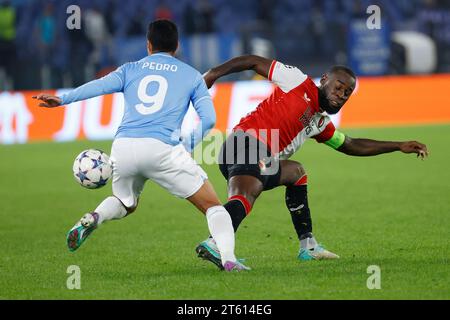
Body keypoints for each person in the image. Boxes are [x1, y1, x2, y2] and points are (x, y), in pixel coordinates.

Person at [33, 20, 248, 272]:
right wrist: (187, 145)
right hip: (162, 148)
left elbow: (97, 87)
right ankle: (230, 259)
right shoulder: (191, 75)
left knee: (125, 202)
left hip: (124, 147)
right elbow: (209, 119)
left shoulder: (130, 69)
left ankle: (95, 217)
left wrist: (62, 99)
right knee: (213, 206)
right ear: (177, 46)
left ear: (148, 45)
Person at [194, 55, 429, 269]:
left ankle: (308, 246)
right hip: (246, 143)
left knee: (296, 173)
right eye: (338, 87)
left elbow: (351, 145)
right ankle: (216, 242)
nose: (341, 95)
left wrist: (398, 146)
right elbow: (253, 62)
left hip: (257, 157)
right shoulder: (297, 81)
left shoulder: (319, 123)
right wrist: (214, 72)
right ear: (325, 80)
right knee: (247, 193)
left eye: (347, 93)